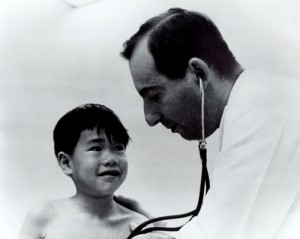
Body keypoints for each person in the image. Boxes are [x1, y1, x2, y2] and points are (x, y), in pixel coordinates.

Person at [120, 8, 300, 239]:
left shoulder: (262, 111)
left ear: (198, 73)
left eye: (155, 95)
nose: (150, 118)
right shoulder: (258, 102)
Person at [18, 103, 147, 239]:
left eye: (118, 148)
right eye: (96, 148)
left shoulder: (139, 225)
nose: (111, 159)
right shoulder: (45, 216)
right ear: (66, 163)